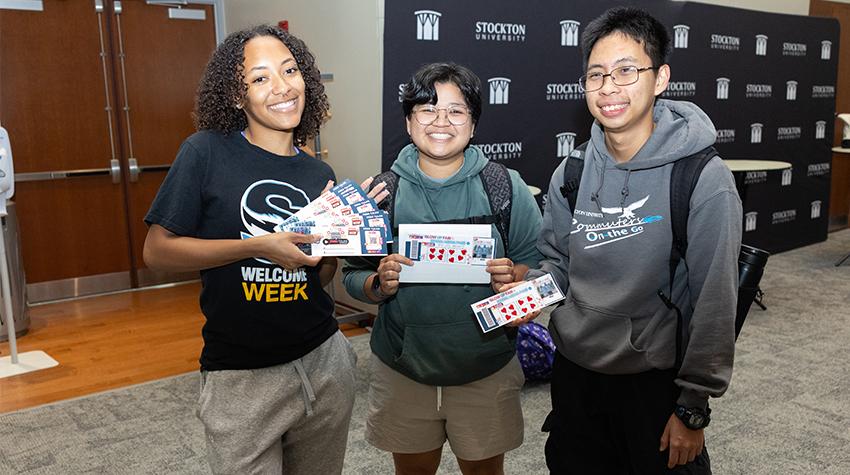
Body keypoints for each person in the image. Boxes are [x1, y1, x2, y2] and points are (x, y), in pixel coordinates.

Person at [143, 25, 385, 474]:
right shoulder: (205, 152)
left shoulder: (318, 173)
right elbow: (157, 252)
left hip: (324, 363)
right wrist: (257, 246)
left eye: (289, 71)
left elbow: (318, 278)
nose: (282, 87)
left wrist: (331, 236)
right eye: (260, 78)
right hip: (240, 374)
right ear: (238, 96)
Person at [524, 7, 742, 474]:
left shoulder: (702, 178)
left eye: (626, 71)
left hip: (653, 381)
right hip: (576, 374)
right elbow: (558, 265)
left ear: (660, 78)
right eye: (596, 75)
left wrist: (693, 406)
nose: (608, 88)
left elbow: (715, 303)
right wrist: (524, 293)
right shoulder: (573, 170)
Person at [342, 62, 543, 475]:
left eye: (456, 111)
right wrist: (379, 282)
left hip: (485, 368)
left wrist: (515, 280)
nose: (441, 122)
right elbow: (351, 275)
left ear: (473, 124)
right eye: (427, 110)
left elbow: (538, 266)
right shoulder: (381, 193)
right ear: (408, 121)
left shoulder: (505, 187)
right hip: (403, 368)